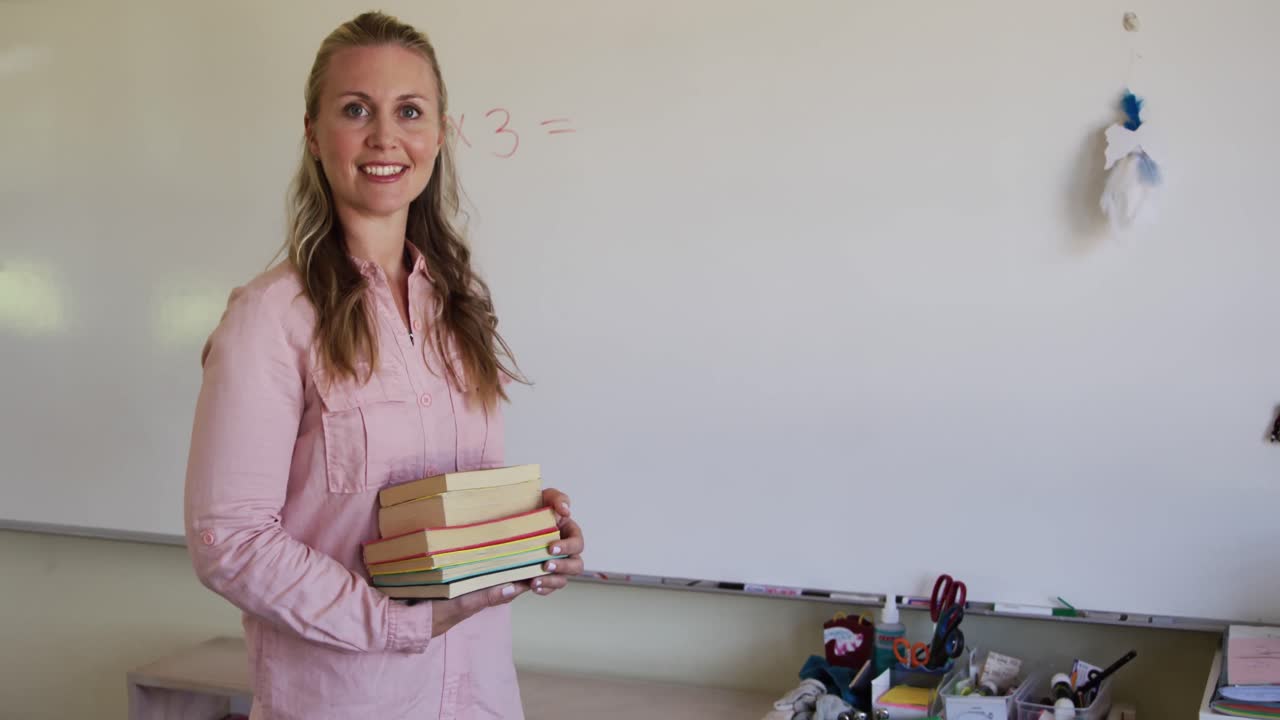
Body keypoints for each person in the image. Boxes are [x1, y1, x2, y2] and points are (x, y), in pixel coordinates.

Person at [183, 11, 584, 719]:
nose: (385, 137)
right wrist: (397, 623)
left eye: (409, 111)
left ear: (438, 134)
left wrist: (530, 538)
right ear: (313, 133)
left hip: (480, 696)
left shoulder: (460, 307)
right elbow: (229, 540)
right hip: (345, 700)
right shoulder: (270, 320)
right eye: (355, 110)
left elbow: (451, 509)